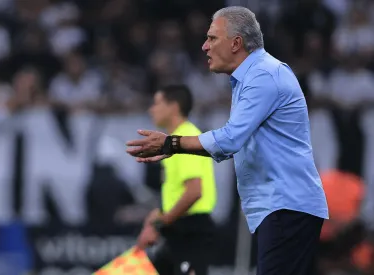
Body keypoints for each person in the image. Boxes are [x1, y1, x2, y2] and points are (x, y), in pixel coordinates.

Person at [126, 6, 329, 275]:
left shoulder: (263, 76)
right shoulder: (253, 77)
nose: (204, 46)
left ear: (236, 43)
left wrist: (171, 144)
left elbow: (230, 140)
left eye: (212, 38)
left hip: (285, 204)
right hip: (283, 207)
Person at [137, 84, 217, 275]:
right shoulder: (176, 140)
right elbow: (179, 191)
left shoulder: (186, 138)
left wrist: (160, 223)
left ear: (173, 106)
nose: (151, 109)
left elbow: (194, 191)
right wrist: (157, 215)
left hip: (191, 231)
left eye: (156, 103)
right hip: (178, 231)